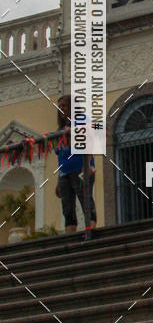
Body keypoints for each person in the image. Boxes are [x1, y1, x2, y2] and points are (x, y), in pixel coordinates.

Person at [54, 95, 97, 234]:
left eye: (64, 105)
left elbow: (90, 140)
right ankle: (70, 235)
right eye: (59, 107)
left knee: (85, 200)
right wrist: (58, 179)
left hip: (80, 168)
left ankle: (90, 231)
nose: (61, 109)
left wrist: (89, 164)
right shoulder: (59, 130)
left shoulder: (81, 120)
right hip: (64, 172)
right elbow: (60, 155)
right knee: (67, 208)